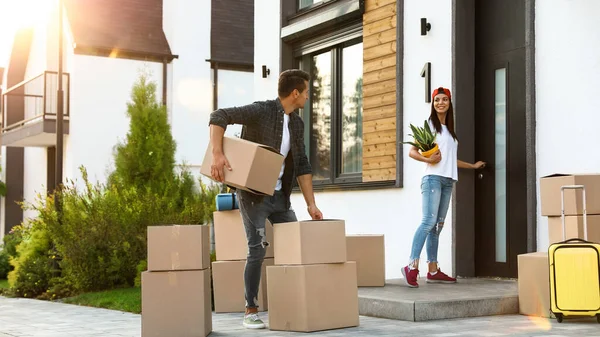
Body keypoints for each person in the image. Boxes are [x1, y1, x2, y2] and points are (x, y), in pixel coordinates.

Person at [208, 69, 323, 329]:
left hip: (280, 196)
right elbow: (219, 116)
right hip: (253, 196)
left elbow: (302, 164)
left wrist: (311, 205)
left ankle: (295, 302)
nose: (307, 96)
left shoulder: (297, 123)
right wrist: (217, 154)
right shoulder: (261, 110)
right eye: (306, 91)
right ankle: (250, 309)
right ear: (295, 93)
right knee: (258, 249)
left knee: (294, 245)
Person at [402, 87, 485, 288]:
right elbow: (412, 152)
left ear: (449, 103)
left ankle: (433, 270)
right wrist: (427, 158)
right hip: (432, 179)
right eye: (437, 99)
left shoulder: (450, 130)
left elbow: (449, 160)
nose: (441, 102)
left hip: (448, 180)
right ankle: (411, 266)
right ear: (433, 103)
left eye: (444, 99)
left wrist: (472, 166)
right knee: (428, 222)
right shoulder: (429, 125)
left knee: (437, 226)